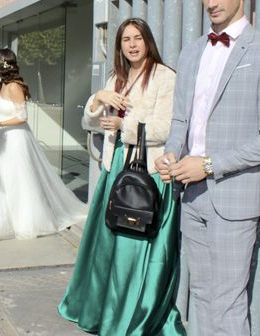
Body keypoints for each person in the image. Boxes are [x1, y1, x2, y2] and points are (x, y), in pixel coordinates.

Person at [154, 0, 260, 335]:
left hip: (234, 199)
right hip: (191, 194)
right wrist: (171, 153)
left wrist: (209, 164)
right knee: (200, 295)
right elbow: (181, 119)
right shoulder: (193, 51)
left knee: (228, 303)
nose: (212, 2)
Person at [59, 18, 185, 335]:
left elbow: (167, 128)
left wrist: (124, 127)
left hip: (148, 173)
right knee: (107, 245)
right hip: (115, 166)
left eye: (137, 38)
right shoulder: (118, 76)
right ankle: (103, 310)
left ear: (148, 41)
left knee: (134, 247)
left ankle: (129, 316)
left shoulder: (164, 76)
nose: (131, 44)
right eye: (126, 39)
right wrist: (100, 98)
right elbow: (91, 121)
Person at [0, 48, 85, 245]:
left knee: (19, 180)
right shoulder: (1, 85)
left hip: (16, 140)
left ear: (1, 66)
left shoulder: (15, 86)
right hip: (0, 140)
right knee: (1, 181)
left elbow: (22, 117)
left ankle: (26, 222)